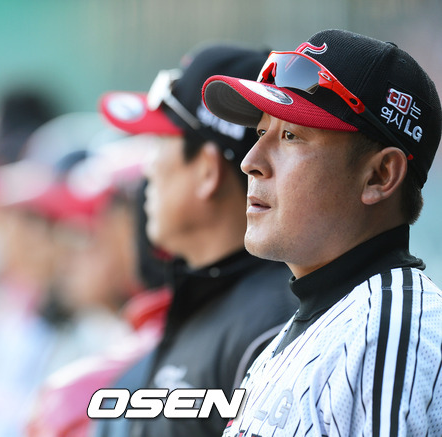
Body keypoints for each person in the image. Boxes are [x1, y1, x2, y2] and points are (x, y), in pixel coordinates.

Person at [201, 28, 442, 435]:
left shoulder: (389, 334)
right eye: (261, 133)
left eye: (290, 136)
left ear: (380, 175)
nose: (250, 161)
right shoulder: (316, 325)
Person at [94, 43, 298, 437]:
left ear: (207, 171)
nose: (148, 169)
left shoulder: (272, 329)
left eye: (160, 142)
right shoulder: (210, 300)